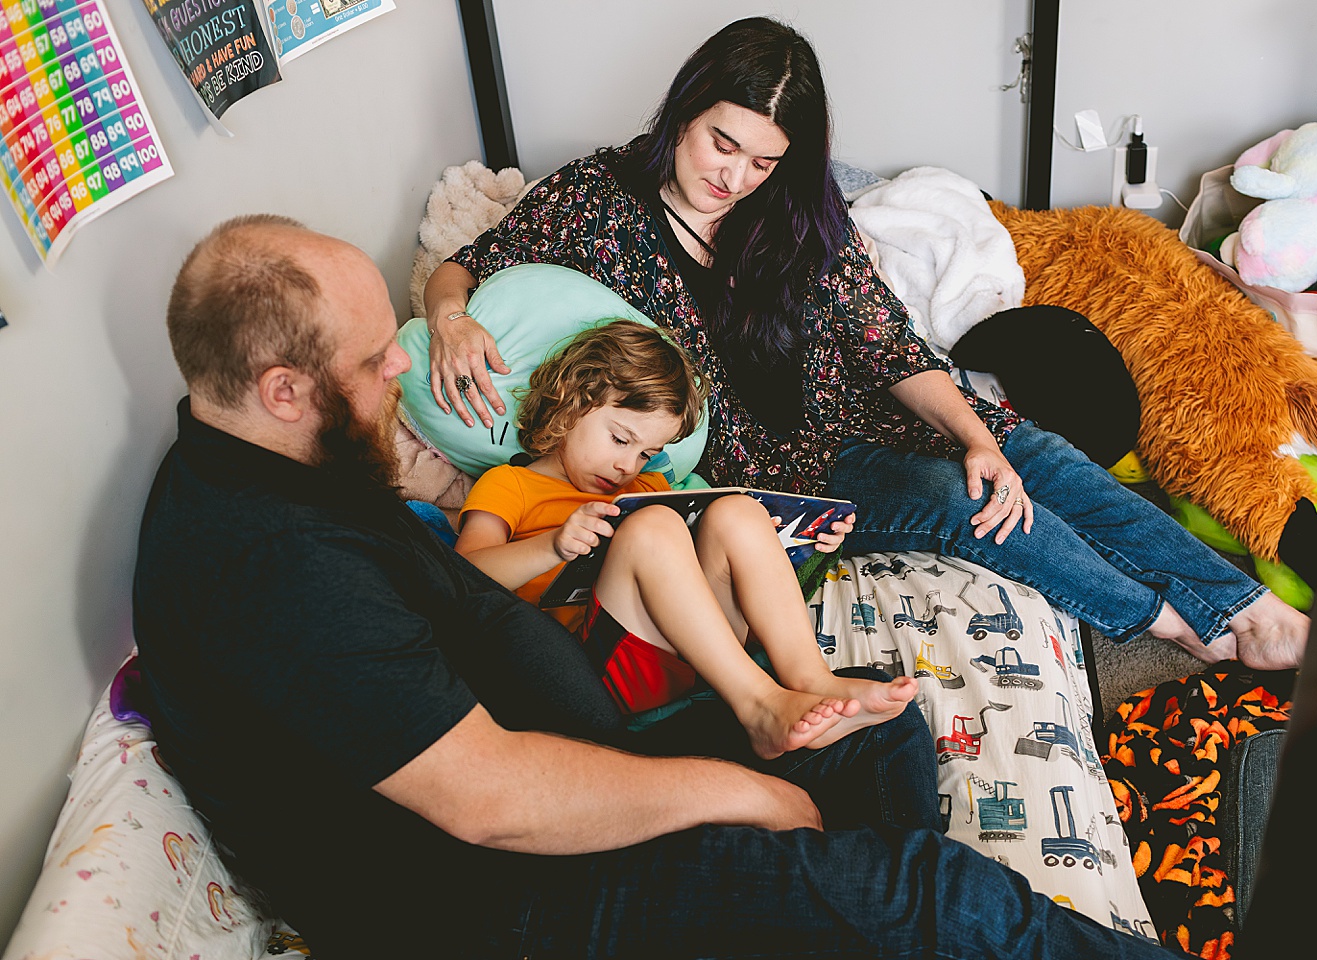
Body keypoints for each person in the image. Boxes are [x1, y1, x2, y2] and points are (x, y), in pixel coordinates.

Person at [133, 215, 1175, 958]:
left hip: (576, 762)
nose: (401, 374)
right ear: (282, 391)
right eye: (374, 364)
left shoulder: (288, 466)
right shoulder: (265, 565)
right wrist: (741, 792)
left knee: (876, 733)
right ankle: (886, 913)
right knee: (941, 895)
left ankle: (850, 920)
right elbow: (492, 804)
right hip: (519, 903)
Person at [422, 16, 1308, 672]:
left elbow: (888, 344)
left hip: (857, 413)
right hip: (783, 474)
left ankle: (1243, 599)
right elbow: (463, 268)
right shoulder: (595, 201)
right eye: (721, 143)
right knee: (963, 504)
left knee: (1029, 453)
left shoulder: (794, 211)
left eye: (763, 160)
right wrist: (453, 318)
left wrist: (975, 433)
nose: (733, 177)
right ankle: (1176, 624)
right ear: (685, 113)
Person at [455, 319, 914, 759]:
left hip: (697, 654)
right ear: (568, 404)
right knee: (653, 526)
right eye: (620, 439)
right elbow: (461, 578)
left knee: (736, 511)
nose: (628, 467)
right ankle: (758, 706)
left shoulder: (646, 489)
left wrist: (801, 545)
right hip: (596, 666)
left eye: (647, 453)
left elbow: (712, 573)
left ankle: (811, 677)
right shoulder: (511, 485)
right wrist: (551, 545)